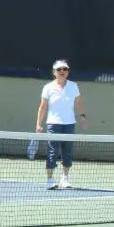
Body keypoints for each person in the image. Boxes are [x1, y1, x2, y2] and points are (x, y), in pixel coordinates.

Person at [35, 58, 88, 189]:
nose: (62, 71)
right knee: (52, 151)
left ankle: (65, 179)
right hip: (53, 124)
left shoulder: (73, 86)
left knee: (67, 152)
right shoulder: (48, 87)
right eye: (59, 69)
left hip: (69, 124)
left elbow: (79, 102)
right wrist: (39, 124)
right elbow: (42, 107)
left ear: (68, 72)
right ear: (54, 72)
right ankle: (50, 179)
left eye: (65, 69)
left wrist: (82, 116)